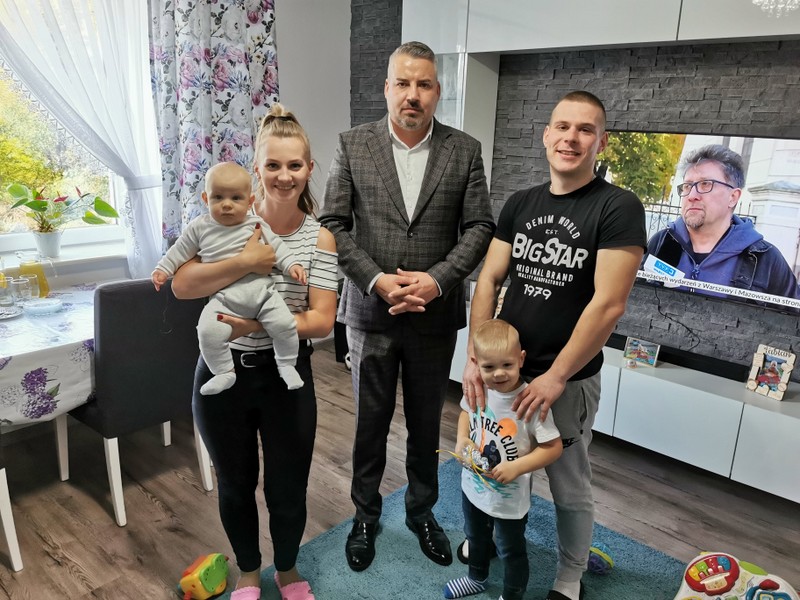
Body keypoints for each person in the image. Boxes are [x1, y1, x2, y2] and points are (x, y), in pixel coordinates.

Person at [462, 90, 646, 600]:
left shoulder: (618, 207)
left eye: (585, 129)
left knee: (568, 485)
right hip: (505, 371)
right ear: (546, 135)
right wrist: (475, 358)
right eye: (562, 126)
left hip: (564, 382)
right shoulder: (521, 202)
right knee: (493, 459)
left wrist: (556, 376)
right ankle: (489, 542)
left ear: (601, 142)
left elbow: (608, 304)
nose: (571, 138)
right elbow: (489, 280)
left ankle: (569, 574)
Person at [319, 41, 495, 572]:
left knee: (425, 425)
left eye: (423, 84)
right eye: (403, 83)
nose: (412, 94)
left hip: (434, 317)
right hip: (369, 315)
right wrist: (375, 280)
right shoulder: (353, 144)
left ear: (438, 91)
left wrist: (437, 281)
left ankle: (421, 512)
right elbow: (333, 223)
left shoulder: (465, 150)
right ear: (387, 88)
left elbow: (480, 226)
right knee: (369, 425)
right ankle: (365, 517)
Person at [171, 103, 338, 600]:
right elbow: (181, 285)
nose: (284, 176)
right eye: (273, 165)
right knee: (234, 484)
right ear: (256, 169)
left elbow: (322, 321)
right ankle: (248, 572)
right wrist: (246, 261)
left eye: (294, 165)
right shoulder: (222, 219)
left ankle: (287, 571)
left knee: (287, 487)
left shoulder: (321, 238)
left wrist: (254, 323)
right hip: (222, 375)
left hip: (287, 376)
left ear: (309, 168)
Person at [152, 161, 307, 395]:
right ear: (205, 198)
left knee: (285, 325)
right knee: (207, 331)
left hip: (263, 294)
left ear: (250, 201)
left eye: (235, 198)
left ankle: (286, 364)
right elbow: (179, 251)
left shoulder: (255, 224)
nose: (226, 204)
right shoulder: (199, 227)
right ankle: (224, 372)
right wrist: (163, 269)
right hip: (224, 299)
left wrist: (292, 265)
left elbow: (277, 246)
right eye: (218, 197)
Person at [445, 319, 562, 600]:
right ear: (476, 364)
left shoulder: (530, 400)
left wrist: (517, 467)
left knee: (511, 551)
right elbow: (465, 413)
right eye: (489, 367)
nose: (498, 374)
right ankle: (476, 578)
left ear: (521, 359)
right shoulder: (480, 389)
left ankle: (512, 596)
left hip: (509, 499)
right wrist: (461, 439)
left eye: (507, 365)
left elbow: (553, 447)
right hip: (472, 487)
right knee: (475, 537)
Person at [645, 144, 799, 302]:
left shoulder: (764, 259)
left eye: (706, 184)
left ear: (733, 197)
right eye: (687, 186)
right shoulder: (661, 242)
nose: (691, 195)